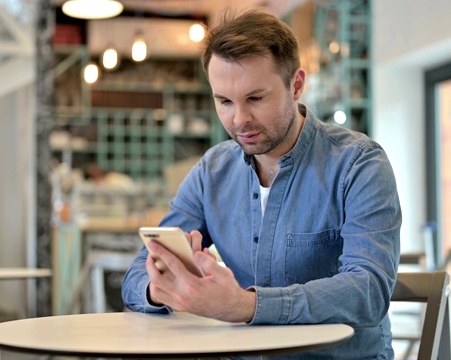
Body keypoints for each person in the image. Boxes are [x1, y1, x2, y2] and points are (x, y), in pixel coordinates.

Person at [122, 8, 401, 359]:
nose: (239, 120)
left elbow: (369, 291)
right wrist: (163, 286)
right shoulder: (213, 171)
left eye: (255, 98)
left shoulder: (358, 163)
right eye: (224, 101)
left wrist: (247, 305)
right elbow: (135, 277)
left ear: (296, 85)